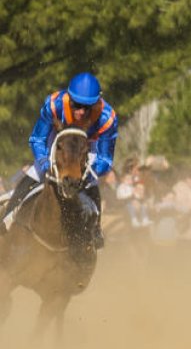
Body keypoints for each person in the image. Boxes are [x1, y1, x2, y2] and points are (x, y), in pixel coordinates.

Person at [0, 72, 117, 248]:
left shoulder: (108, 118)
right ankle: (6, 219)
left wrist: (87, 171)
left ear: (97, 102)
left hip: (87, 145)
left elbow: (106, 159)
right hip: (58, 136)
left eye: (87, 107)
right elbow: (38, 139)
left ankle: (96, 231)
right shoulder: (54, 104)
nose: (81, 112)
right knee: (35, 173)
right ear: (69, 97)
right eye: (76, 105)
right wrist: (43, 163)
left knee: (91, 184)